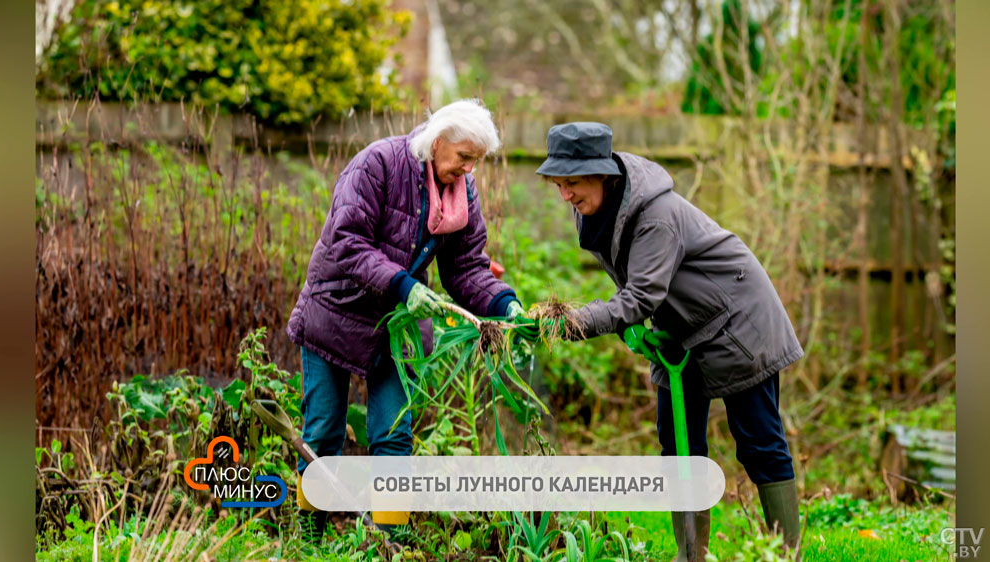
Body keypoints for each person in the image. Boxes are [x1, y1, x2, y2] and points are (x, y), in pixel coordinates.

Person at [532, 122, 804, 559]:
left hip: (739, 321)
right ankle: (690, 554)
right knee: (677, 444)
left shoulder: (656, 215)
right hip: (680, 328)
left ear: (604, 174)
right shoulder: (596, 209)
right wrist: (630, 325)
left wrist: (576, 320)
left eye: (573, 183)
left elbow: (639, 294)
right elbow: (636, 288)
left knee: (758, 440)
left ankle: (788, 553)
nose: (566, 195)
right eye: (559, 185)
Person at [286, 99, 526, 539]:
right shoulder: (377, 164)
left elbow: (467, 268)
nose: (469, 170)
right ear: (438, 143)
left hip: (397, 327)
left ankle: (388, 541)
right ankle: (310, 536)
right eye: (464, 158)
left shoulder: (460, 192)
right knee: (322, 432)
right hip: (336, 311)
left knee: (393, 435)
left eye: (476, 161)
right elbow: (347, 239)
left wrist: (504, 304)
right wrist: (403, 285)